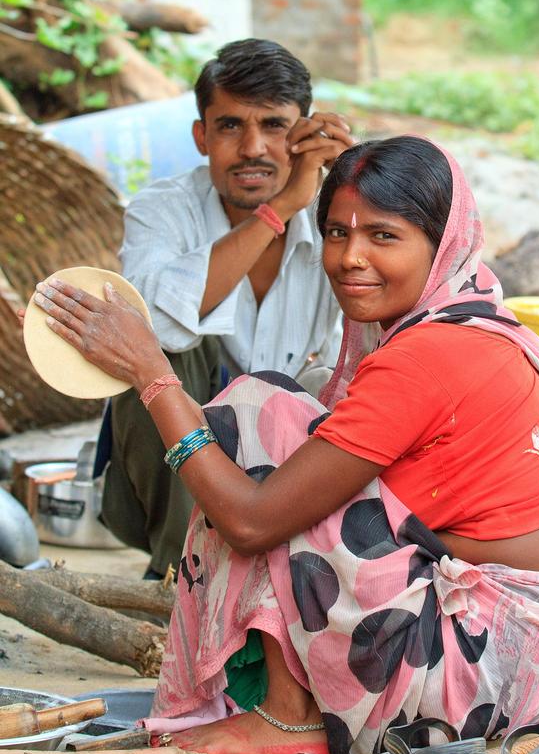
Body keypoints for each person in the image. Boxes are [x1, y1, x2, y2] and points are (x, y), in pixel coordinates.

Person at [33, 135, 539, 754]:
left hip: (466, 682)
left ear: (440, 244)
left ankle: (290, 716)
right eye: (335, 233)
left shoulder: (427, 356)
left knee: (253, 415)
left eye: (383, 237)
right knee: (293, 428)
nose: (350, 258)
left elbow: (252, 521)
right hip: (534, 671)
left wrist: (151, 374)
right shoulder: (481, 322)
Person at [100, 38, 353, 577]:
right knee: (149, 355)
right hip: (180, 476)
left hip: (292, 470)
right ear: (202, 136)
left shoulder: (336, 219)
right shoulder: (160, 210)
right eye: (231, 126)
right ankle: (181, 575)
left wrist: (356, 184)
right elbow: (156, 328)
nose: (254, 148)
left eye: (276, 127)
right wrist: (280, 209)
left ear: (306, 134)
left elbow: (400, 327)